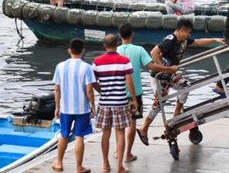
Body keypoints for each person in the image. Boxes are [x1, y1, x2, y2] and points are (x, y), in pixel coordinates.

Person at [136, 19, 223, 146]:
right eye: (188, 32)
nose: (189, 35)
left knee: (185, 86)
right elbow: (154, 52)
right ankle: (144, 128)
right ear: (181, 30)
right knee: (159, 104)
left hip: (171, 74)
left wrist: (215, 40)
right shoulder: (170, 39)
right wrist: (163, 69)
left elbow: (198, 42)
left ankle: (177, 111)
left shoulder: (183, 41)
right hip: (160, 76)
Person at [117, 23, 172, 163]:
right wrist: (169, 69)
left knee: (119, 126)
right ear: (132, 35)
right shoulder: (139, 50)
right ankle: (128, 154)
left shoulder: (115, 50)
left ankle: (118, 152)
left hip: (117, 94)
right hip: (134, 94)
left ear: (119, 35)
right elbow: (151, 66)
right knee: (132, 123)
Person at [92, 34, 137, 173]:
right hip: (121, 102)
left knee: (105, 134)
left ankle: (105, 165)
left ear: (104, 46)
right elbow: (129, 81)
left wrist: (102, 90)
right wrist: (134, 99)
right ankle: (119, 167)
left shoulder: (97, 62)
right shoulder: (124, 61)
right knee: (120, 133)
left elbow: (92, 82)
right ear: (117, 44)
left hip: (104, 103)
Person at [52, 38, 96, 173]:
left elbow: (57, 89)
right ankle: (79, 167)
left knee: (64, 134)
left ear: (69, 50)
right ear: (83, 51)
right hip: (82, 108)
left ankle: (59, 162)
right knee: (79, 137)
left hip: (65, 107)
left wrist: (57, 106)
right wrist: (92, 105)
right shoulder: (87, 67)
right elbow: (89, 89)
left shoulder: (60, 66)